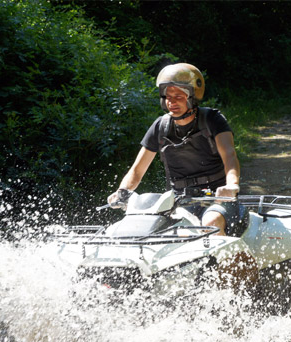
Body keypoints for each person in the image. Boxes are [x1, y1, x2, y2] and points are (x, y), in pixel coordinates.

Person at [107, 62, 258, 287]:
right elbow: (137, 171)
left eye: (178, 96)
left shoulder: (212, 120)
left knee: (210, 221)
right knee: (152, 230)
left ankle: (231, 285)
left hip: (218, 199)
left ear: (192, 96)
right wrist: (122, 192)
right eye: (168, 96)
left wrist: (231, 185)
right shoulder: (160, 127)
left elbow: (230, 156)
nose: (171, 101)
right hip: (180, 201)